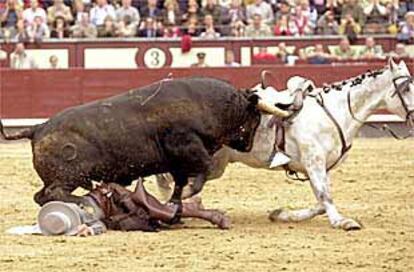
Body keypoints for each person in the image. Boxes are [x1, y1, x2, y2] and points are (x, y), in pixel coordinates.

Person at [36, 181, 230, 236]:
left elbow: (107, 194)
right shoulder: (76, 215)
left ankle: (210, 215)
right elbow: (100, 225)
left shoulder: (82, 211)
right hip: (118, 211)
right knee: (157, 216)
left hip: (118, 197)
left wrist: (128, 202)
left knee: (159, 212)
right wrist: (90, 229)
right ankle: (196, 208)